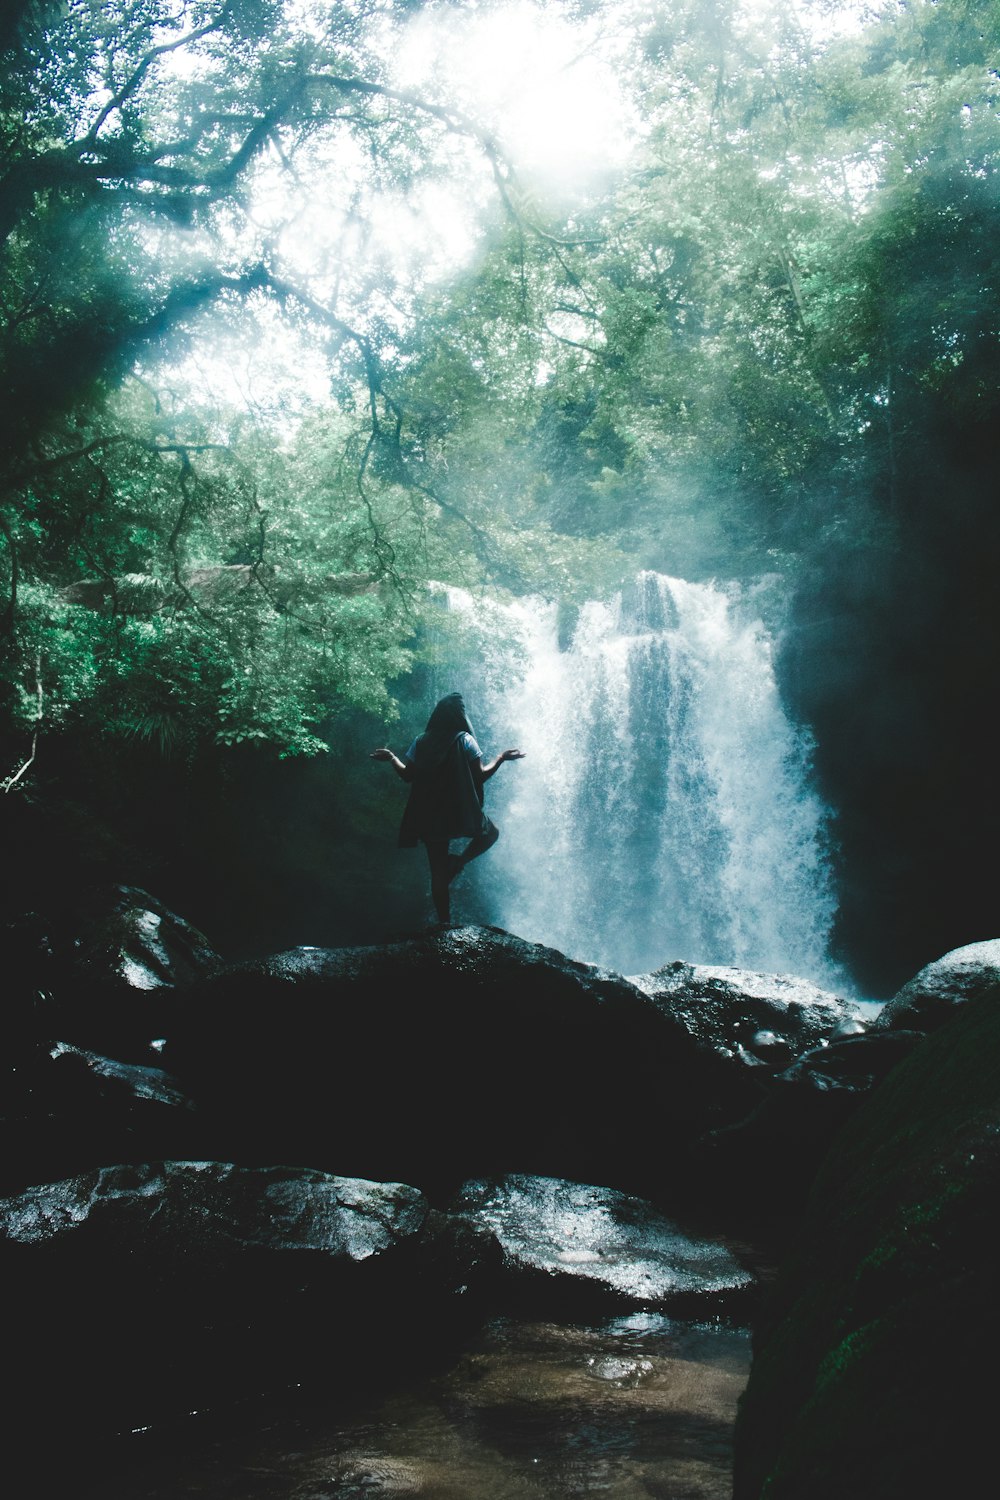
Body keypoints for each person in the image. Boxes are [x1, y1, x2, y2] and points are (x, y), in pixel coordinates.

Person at [370, 692, 524, 925]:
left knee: (437, 872)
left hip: (428, 814)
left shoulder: (421, 740)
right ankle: (459, 862)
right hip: (458, 811)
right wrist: (501, 757)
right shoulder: (465, 740)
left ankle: (444, 924)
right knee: (490, 833)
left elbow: (407, 775)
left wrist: (392, 757)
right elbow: (480, 776)